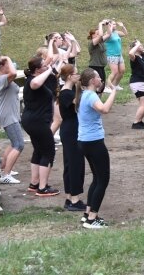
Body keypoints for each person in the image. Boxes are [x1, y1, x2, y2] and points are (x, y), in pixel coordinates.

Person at [76, 68, 117, 229]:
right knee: (103, 179)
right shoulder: (90, 95)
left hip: (85, 141)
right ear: (93, 81)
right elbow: (104, 109)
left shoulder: (83, 94)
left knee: (97, 178)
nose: (101, 79)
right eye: (99, 77)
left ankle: (87, 214)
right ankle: (92, 219)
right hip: (94, 142)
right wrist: (113, 92)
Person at [21, 56, 61, 197]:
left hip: (32, 121)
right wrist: (48, 69)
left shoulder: (39, 78)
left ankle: (34, 183)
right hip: (37, 122)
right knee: (49, 152)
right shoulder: (32, 80)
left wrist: (51, 66)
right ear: (37, 70)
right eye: (44, 65)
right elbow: (35, 83)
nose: (47, 66)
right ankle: (43, 188)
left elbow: (54, 67)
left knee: (38, 150)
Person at [58, 65, 85, 212]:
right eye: (76, 74)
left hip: (70, 130)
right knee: (75, 163)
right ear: (69, 76)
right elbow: (80, 103)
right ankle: (74, 199)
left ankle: (69, 197)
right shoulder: (66, 93)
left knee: (70, 163)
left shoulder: (68, 91)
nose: (78, 76)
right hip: (71, 131)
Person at [0, 56, 23, 184]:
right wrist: (8, 58)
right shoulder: (1, 79)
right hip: (8, 115)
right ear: (1, 67)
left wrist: (7, 60)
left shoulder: (4, 79)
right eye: (7, 64)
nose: (10, 65)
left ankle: (3, 168)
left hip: (10, 115)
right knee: (19, 144)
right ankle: (6, 175)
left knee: (13, 142)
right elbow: (14, 73)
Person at [128, 40, 144, 129]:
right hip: (137, 83)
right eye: (140, 45)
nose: (142, 46)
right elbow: (130, 53)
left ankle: (140, 121)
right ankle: (136, 122)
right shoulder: (134, 57)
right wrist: (137, 45)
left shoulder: (143, 55)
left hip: (143, 82)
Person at [104, 20, 128, 90]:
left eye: (115, 24)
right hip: (112, 55)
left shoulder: (116, 33)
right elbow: (109, 34)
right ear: (110, 25)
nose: (115, 25)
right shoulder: (108, 33)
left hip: (119, 55)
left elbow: (125, 33)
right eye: (113, 24)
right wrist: (109, 27)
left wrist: (122, 26)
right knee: (114, 72)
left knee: (122, 70)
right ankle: (107, 87)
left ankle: (115, 85)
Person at [88, 21, 109, 92]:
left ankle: (99, 101)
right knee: (97, 86)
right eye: (96, 33)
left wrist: (108, 25)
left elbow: (109, 33)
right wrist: (100, 24)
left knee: (102, 86)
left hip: (101, 67)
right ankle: (95, 101)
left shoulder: (101, 41)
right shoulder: (92, 42)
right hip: (95, 66)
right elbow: (100, 35)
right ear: (92, 35)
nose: (99, 34)